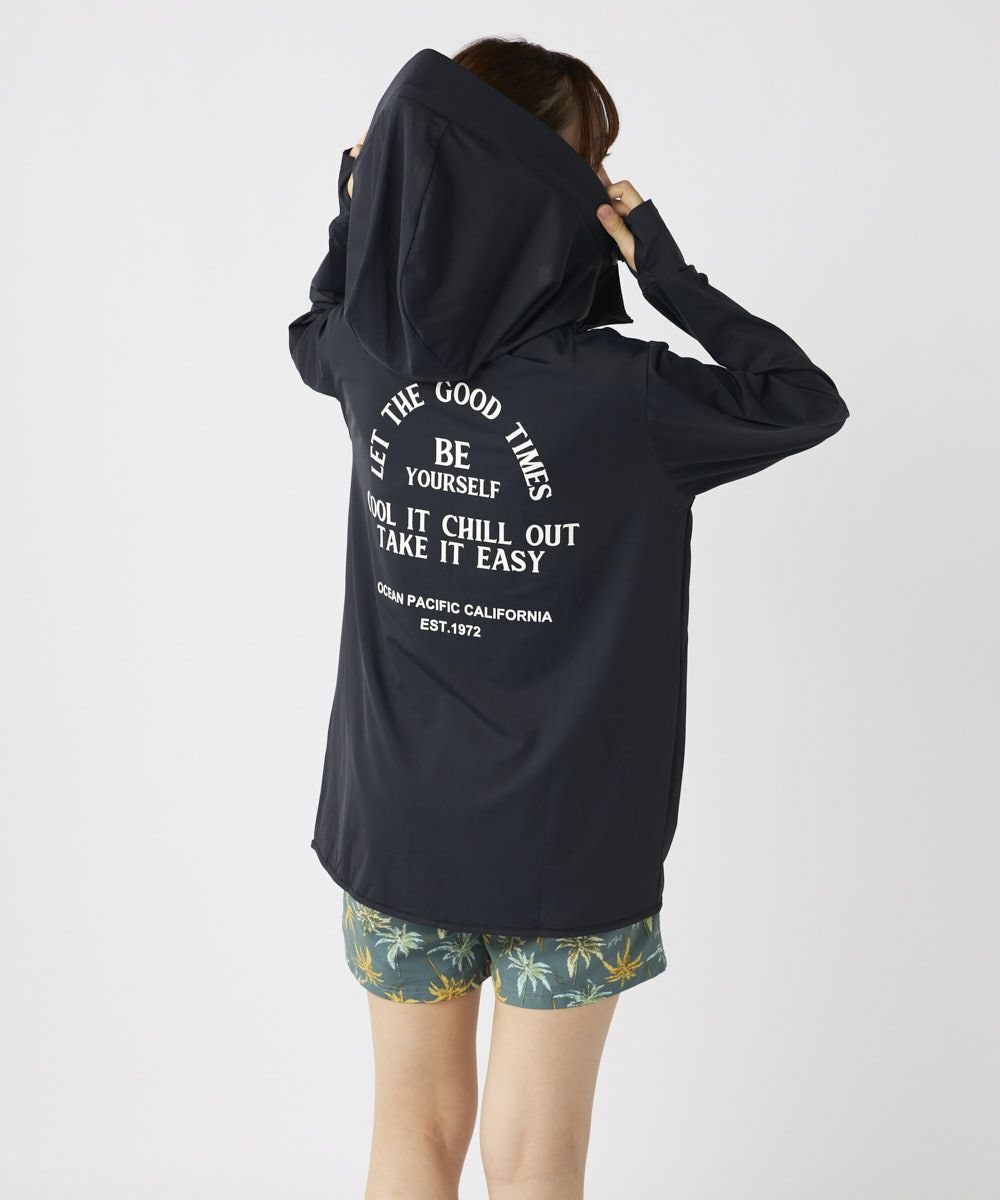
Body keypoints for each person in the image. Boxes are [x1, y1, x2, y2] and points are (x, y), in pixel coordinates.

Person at [288, 36, 848, 1200]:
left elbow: (317, 322)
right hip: (564, 846)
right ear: (539, 178)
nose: (605, 185)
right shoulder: (621, 392)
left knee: (410, 1137)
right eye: (592, 161)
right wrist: (668, 275)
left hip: (398, 825)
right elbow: (799, 402)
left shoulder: (369, 361)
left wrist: (357, 208)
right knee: (536, 1164)